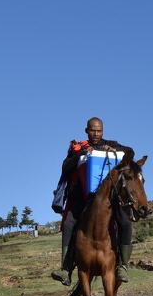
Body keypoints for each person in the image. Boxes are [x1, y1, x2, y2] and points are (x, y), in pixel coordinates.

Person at [50, 117, 134, 286]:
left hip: (108, 197)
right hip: (82, 196)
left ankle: (123, 265)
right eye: (93, 130)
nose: (96, 134)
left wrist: (113, 149)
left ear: (102, 131)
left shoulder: (110, 144)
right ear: (86, 130)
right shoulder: (78, 148)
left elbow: (131, 152)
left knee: (125, 222)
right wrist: (81, 155)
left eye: (99, 130)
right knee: (68, 224)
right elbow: (65, 167)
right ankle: (66, 269)